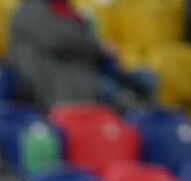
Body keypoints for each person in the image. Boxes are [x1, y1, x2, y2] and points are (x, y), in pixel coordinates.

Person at [9, 0, 155, 110]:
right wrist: (99, 47)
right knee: (122, 97)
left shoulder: (66, 9)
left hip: (84, 76)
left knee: (146, 79)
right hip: (61, 87)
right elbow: (60, 39)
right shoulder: (31, 9)